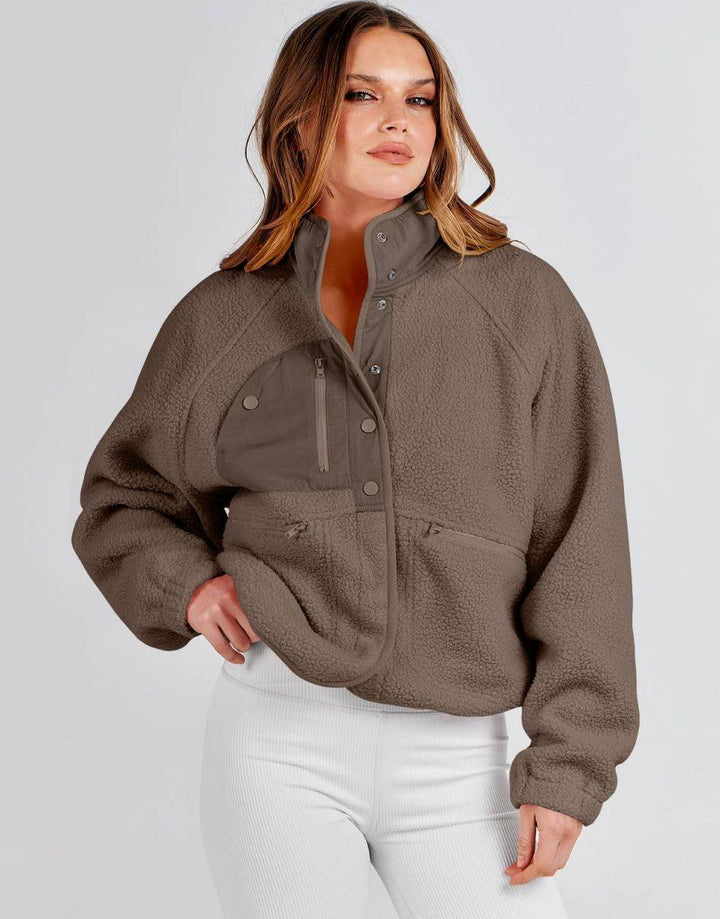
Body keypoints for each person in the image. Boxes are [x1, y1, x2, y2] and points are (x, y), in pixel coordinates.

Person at [70, 2, 640, 917]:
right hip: (276, 739)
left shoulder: (523, 302)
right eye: (361, 95)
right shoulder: (226, 315)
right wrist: (187, 584)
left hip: (461, 757)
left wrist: (571, 764)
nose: (397, 121)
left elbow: (583, 541)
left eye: (420, 99)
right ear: (300, 120)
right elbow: (124, 497)